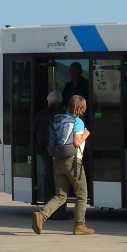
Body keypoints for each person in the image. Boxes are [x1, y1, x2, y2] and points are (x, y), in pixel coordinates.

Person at [31, 94, 94, 235]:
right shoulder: (78, 122)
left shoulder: (59, 119)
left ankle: (42, 215)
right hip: (72, 161)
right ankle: (79, 225)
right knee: (82, 194)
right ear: (81, 108)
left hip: (57, 160)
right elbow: (77, 142)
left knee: (60, 195)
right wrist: (86, 135)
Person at [32, 90, 62, 205]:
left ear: (49, 101)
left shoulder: (41, 115)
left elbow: (34, 134)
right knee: (60, 181)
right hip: (60, 152)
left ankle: (48, 206)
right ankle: (58, 209)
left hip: (44, 151)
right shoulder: (64, 115)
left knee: (48, 179)